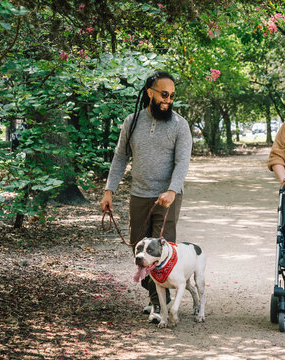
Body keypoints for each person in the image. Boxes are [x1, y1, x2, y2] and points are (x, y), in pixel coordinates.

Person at [100, 71, 192, 324]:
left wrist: (173, 190)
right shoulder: (132, 122)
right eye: (164, 94)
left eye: (172, 96)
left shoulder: (180, 125)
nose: (168, 100)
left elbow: (182, 161)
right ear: (149, 92)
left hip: (168, 197)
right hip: (139, 194)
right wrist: (109, 190)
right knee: (138, 248)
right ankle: (153, 296)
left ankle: (157, 305)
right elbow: (120, 157)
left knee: (161, 252)